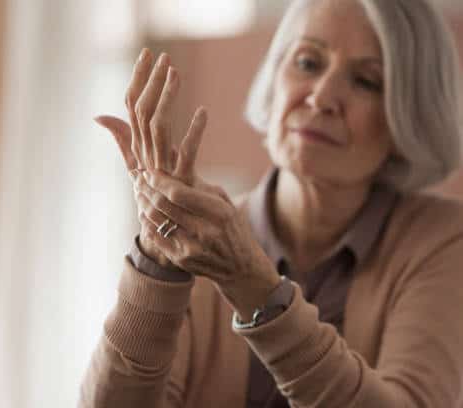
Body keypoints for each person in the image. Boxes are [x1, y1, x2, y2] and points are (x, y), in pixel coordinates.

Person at [80, 0, 463, 406]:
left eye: (366, 81)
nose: (322, 96)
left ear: (408, 117)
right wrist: (155, 264)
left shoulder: (442, 240)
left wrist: (255, 289)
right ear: (275, 78)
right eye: (308, 62)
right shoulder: (196, 238)